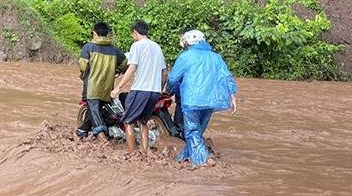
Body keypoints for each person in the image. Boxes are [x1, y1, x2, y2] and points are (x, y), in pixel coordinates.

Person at [165, 30, 238, 166]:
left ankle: (203, 162)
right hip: (210, 101)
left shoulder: (185, 56)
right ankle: (182, 158)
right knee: (197, 132)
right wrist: (232, 96)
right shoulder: (216, 57)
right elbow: (227, 77)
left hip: (191, 101)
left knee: (192, 132)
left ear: (188, 41)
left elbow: (174, 78)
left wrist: (168, 90)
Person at [111, 20, 166, 157]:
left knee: (128, 121)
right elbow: (164, 72)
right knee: (143, 122)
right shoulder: (157, 47)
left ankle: (132, 153)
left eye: (132, 34)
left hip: (140, 89)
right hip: (154, 92)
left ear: (135, 32)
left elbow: (132, 67)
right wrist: (159, 89)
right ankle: (145, 150)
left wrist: (118, 87)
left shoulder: (137, 46)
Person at [77, 22, 128, 141]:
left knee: (94, 109)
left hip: (92, 86)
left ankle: (101, 137)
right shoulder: (114, 49)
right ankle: (81, 132)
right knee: (95, 110)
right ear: (107, 34)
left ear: (95, 33)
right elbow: (124, 64)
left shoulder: (88, 47)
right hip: (107, 87)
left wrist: (84, 76)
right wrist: (116, 70)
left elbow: (83, 66)